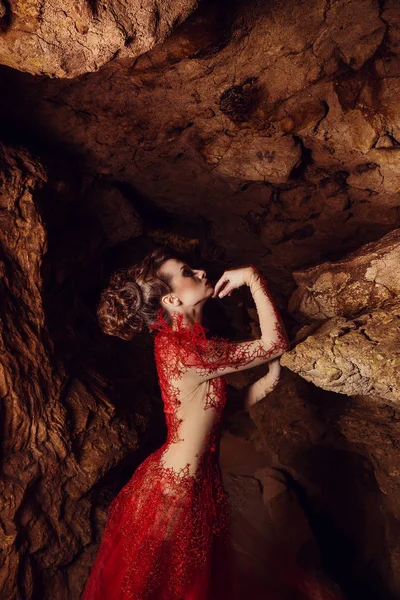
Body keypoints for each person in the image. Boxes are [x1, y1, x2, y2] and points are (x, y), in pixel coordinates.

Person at [80, 248, 343, 600]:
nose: (202, 271)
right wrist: (251, 277)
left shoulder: (180, 344)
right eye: (188, 271)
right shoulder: (188, 352)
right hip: (178, 491)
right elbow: (274, 343)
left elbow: (204, 414)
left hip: (190, 481)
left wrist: (263, 386)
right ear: (172, 299)